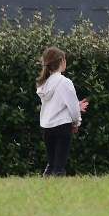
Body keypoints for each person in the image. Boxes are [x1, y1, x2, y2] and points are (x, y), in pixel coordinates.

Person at [37, 47, 88, 177]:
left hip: (46, 127)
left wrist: (76, 106)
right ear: (61, 61)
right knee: (59, 167)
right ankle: (57, 194)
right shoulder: (65, 82)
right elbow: (72, 109)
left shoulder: (43, 83)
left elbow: (55, 104)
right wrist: (76, 123)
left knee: (51, 163)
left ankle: (43, 190)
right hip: (62, 126)